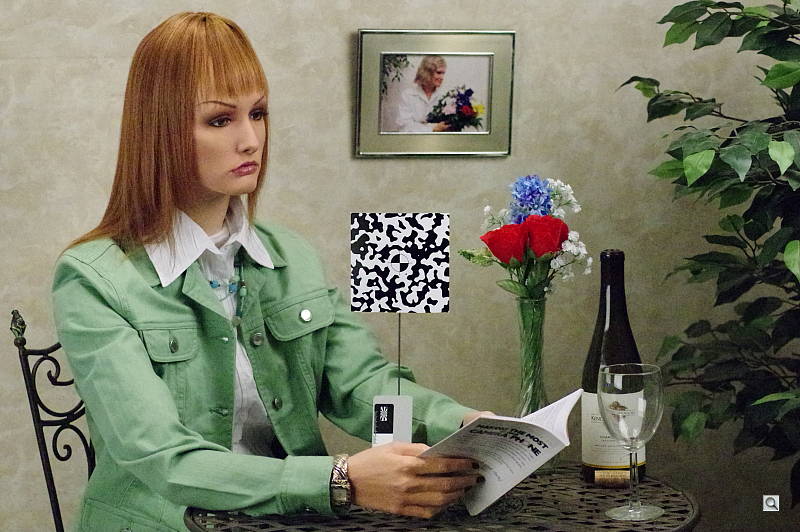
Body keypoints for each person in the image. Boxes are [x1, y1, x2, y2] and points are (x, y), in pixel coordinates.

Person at [51, 12, 491, 531]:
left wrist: (462, 423)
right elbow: (162, 456)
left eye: (257, 114)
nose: (251, 140)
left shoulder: (291, 253)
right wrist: (341, 480)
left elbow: (359, 385)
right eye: (220, 120)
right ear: (159, 131)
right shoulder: (92, 279)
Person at [396, 55, 450, 132]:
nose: (442, 77)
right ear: (427, 72)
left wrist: (419, 125)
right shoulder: (408, 95)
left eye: (443, 73)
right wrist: (432, 128)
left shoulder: (444, 96)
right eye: (438, 73)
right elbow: (404, 128)